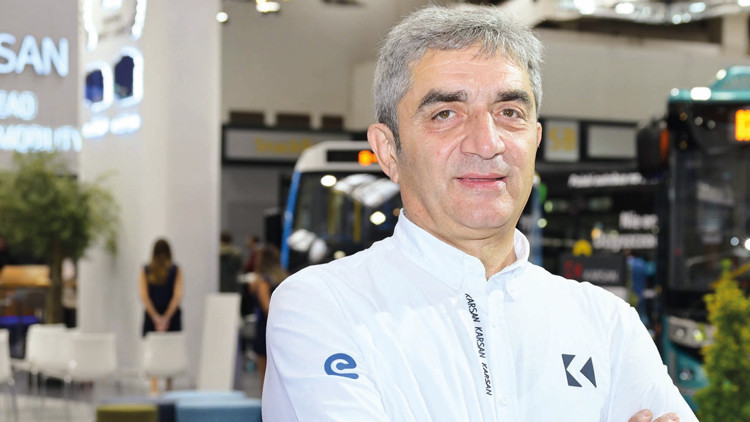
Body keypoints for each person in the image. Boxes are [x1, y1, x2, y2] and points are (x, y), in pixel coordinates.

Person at [263, 5, 697, 422]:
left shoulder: (605, 322)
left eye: (509, 112)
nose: (487, 143)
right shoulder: (324, 306)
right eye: (445, 114)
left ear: (535, 140)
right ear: (389, 151)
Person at [139, 238, 183, 395]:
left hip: (153, 316)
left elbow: (144, 296)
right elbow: (177, 296)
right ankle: (169, 387)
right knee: (170, 352)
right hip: (171, 317)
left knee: (154, 352)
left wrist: (156, 317)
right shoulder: (175, 270)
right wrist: (166, 317)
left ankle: (154, 388)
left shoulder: (146, 270)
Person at [248, 244, 288, 394]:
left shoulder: (262, 281)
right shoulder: (285, 278)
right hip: (285, 327)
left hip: (266, 328)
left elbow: (267, 307)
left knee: (265, 376)